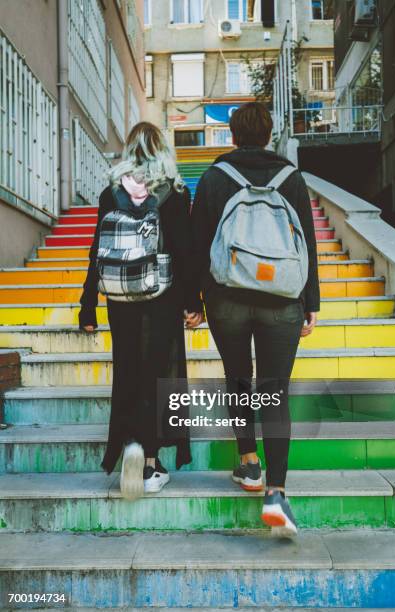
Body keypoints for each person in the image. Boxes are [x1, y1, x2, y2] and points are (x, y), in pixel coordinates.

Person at [191, 102, 320, 536]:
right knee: (274, 392)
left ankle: (250, 465)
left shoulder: (213, 178)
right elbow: (308, 242)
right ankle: (277, 493)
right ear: (268, 134)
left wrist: (194, 301)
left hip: (227, 297)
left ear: (232, 135)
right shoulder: (291, 178)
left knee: (239, 381)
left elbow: (197, 245)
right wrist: (311, 301)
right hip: (283, 298)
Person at [79, 122, 203, 499]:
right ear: (163, 150)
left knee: (129, 368)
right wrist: (193, 302)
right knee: (159, 373)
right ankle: (149, 463)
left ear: (129, 150)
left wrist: (88, 305)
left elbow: (96, 251)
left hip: (120, 298)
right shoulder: (176, 193)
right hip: (162, 295)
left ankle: (131, 443)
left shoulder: (110, 192)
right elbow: (184, 252)